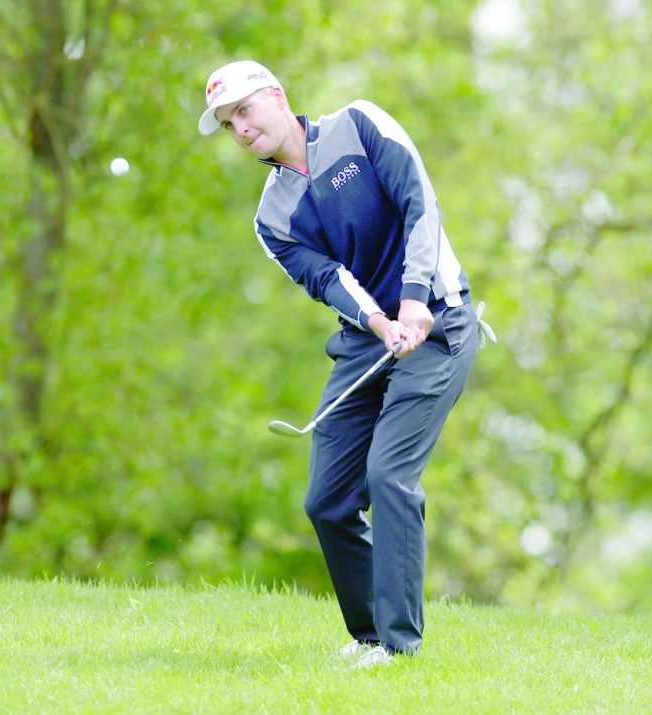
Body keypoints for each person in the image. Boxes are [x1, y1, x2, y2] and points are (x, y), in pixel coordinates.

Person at [199, 60, 490, 667]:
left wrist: (414, 299)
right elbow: (327, 279)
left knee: (389, 475)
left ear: (276, 97)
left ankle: (400, 647)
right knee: (326, 500)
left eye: (244, 111)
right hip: (369, 341)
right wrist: (382, 323)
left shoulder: (357, 126)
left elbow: (420, 204)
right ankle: (370, 638)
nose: (241, 129)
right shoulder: (271, 216)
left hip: (439, 320)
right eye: (228, 125)